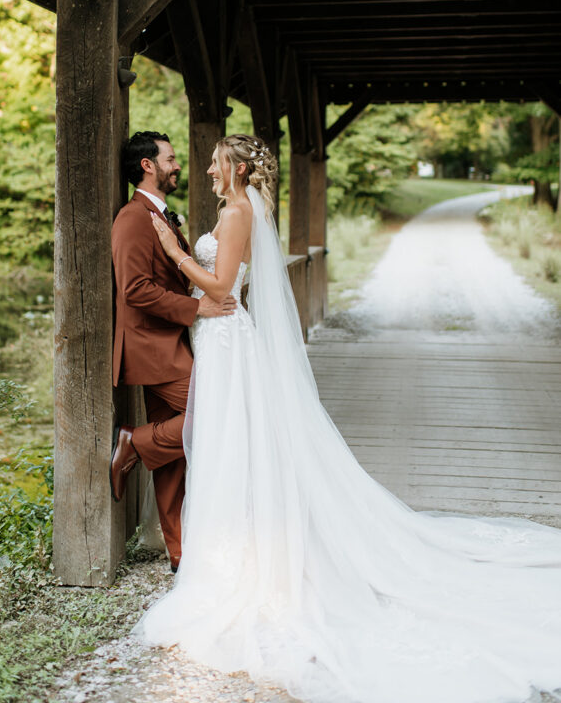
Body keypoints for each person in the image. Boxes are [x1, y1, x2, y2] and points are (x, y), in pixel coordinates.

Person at [136, 133, 561, 703]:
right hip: (218, 339)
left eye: (215, 164)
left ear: (236, 169)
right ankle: (231, 546)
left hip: (226, 338)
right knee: (228, 441)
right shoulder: (239, 208)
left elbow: (220, 287)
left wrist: (172, 248)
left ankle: (242, 561)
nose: (208, 172)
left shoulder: (238, 212)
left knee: (230, 438)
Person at [110, 131, 235, 572]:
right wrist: (196, 306)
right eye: (170, 157)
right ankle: (134, 441)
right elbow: (135, 289)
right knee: (214, 414)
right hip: (153, 347)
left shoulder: (159, 215)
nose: (177, 163)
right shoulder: (132, 217)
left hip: (171, 343)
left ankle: (179, 551)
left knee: (177, 447)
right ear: (148, 165)